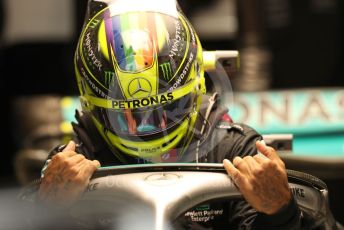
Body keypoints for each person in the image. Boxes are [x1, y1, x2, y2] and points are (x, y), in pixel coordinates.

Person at [36, 0, 306, 229]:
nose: (146, 128)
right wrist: (47, 209)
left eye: (164, 111)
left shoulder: (234, 151)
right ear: (92, 106)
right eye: (128, 116)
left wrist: (280, 211)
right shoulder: (74, 163)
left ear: (196, 87)